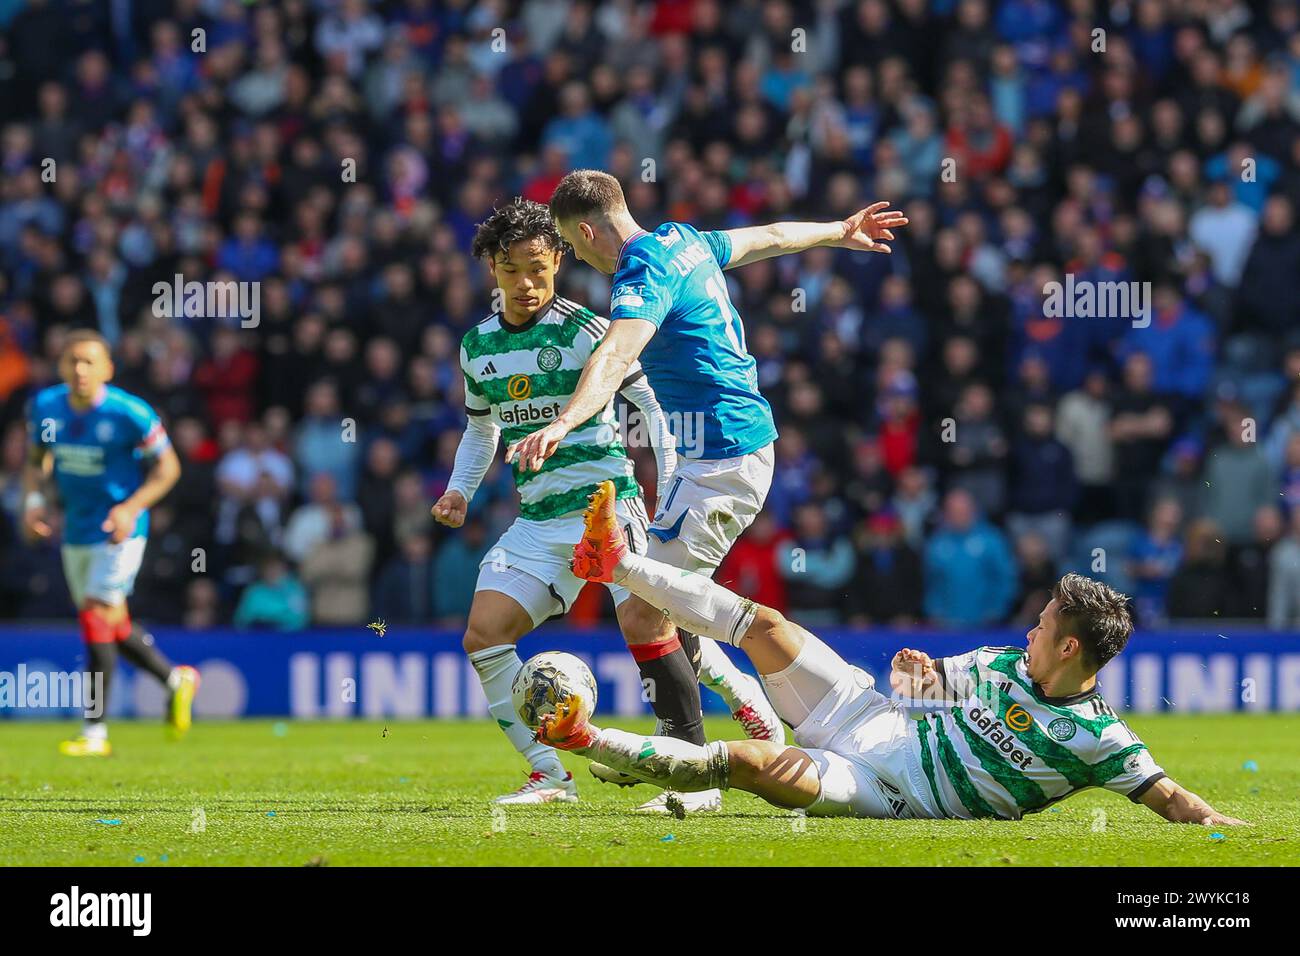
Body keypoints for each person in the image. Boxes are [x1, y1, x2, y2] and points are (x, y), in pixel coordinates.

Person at [505, 169, 904, 812]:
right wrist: (838, 230)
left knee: (642, 607)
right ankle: (739, 724)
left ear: (585, 230)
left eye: (572, 247)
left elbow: (614, 354)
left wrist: (562, 421)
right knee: (656, 598)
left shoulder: (642, 274)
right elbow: (770, 236)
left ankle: (692, 770)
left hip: (723, 461)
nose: (577, 258)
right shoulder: (682, 241)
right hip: (711, 456)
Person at [538, 481, 1247, 828]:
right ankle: (617, 563)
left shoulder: (1099, 740)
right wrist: (918, 677)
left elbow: (1174, 800)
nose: (1027, 632)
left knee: (751, 765)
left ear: (1070, 648)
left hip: (882, 788)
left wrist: (1227, 831)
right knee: (765, 625)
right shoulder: (1004, 664)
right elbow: (927, 690)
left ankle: (582, 736)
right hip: (869, 713)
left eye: (1040, 627)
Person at [429, 198, 779, 805]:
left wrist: (669, 481)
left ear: (559, 260)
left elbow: (651, 406)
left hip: (608, 508)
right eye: (512, 270)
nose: (527, 283)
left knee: (654, 620)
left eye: (538, 267)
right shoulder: (477, 347)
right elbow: (483, 429)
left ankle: (733, 715)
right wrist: (460, 490)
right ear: (491, 268)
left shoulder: (588, 329)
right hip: (539, 522)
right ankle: (551, 774)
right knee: (483, 636)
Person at [23, 330, 199, 756]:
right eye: (72, 361)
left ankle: (94, 732)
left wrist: (131, 507)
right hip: (76, 531)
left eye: (88, 362)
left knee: (96, 617)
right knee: (112, 623)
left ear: (107, 369)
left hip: (120, 530)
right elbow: (36, 460)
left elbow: (169, 468)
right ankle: (176, 680)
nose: (80, 370)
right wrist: (33, 502)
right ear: (61, 366)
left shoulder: (130, 413)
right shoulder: (46, 407)